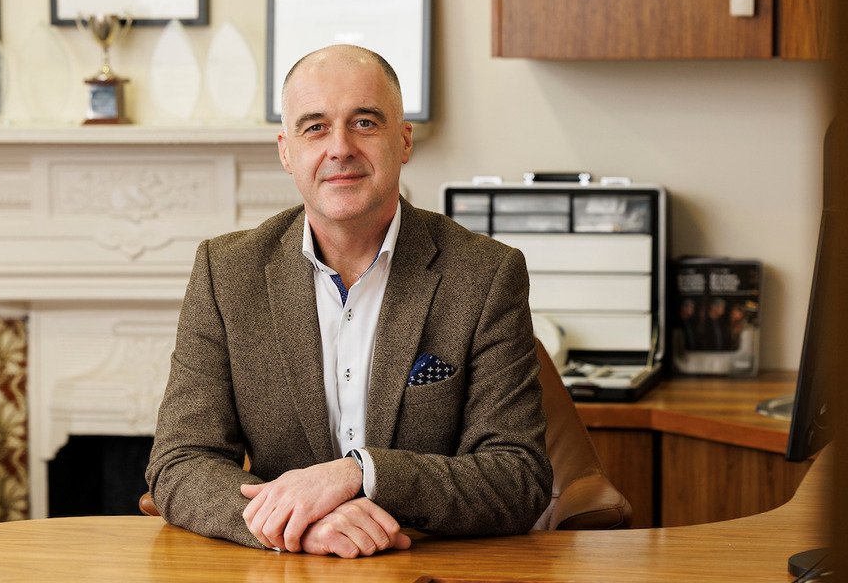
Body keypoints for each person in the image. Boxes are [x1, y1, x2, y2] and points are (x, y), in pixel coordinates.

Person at [145, 44, 552, 559]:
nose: (340, 148)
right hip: (287, 567)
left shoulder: (485, 273)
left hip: (426, 565)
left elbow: (518, 475)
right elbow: (180, 461)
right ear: (286, 152)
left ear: (403, 141)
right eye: (315, 127)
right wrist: (299, 525)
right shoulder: (226, 273)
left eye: (364, 122)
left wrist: (361, 473)